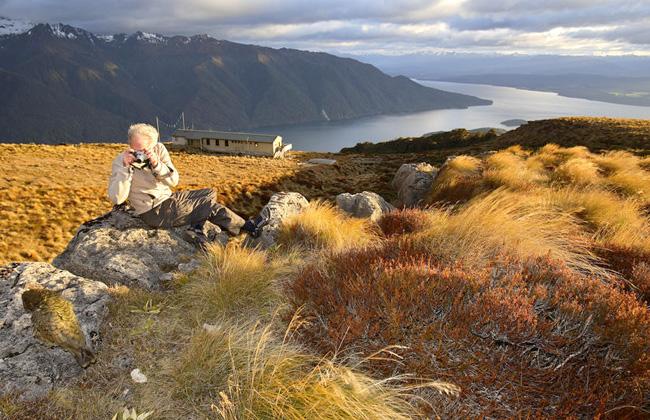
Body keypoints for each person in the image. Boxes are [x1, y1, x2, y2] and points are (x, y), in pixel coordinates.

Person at [108, 123, 253, 244]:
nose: (138, 154)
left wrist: (156, 164)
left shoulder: (159, 150)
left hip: (169, 198)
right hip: (154, 211)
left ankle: (196, 228)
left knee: (210, 193)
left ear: (153, 146)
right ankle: (246, 227)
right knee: (208, 206)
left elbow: (173, 181)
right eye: (134, 149)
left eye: (143, 150)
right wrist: (126, 169)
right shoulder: (122, 161)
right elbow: (117, 198)